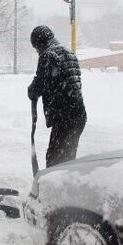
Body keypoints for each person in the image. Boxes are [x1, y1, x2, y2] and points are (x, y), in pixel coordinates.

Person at [27, 25, 86, 167]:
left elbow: (41, 83)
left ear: (39, 43)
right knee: (68, 160)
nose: (37, 51)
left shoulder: (48, 55)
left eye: (36, 47)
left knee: (54, 162)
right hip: (78, 115)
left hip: (65, 117)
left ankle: (54, 188)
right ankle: (67, 187)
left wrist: (31, 91)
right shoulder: (69, 53)